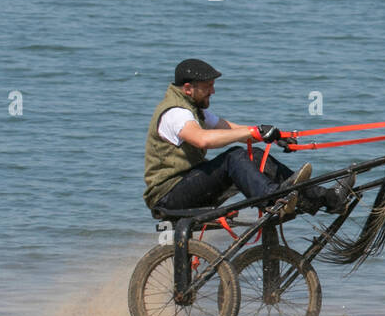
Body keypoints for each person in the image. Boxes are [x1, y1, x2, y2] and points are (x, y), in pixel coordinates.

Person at [144, 58, 352, 216]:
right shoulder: (176, 113)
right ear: (188, 88)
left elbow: (228, 128)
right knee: (234, 157)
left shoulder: (193, 109)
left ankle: (325, 198)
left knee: (255, 155)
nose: (213, 91)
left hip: (189, 185)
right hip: (168, 196)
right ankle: (273, 199)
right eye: (207, 87)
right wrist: (250, 133)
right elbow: (202, 140)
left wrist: (269, 136)